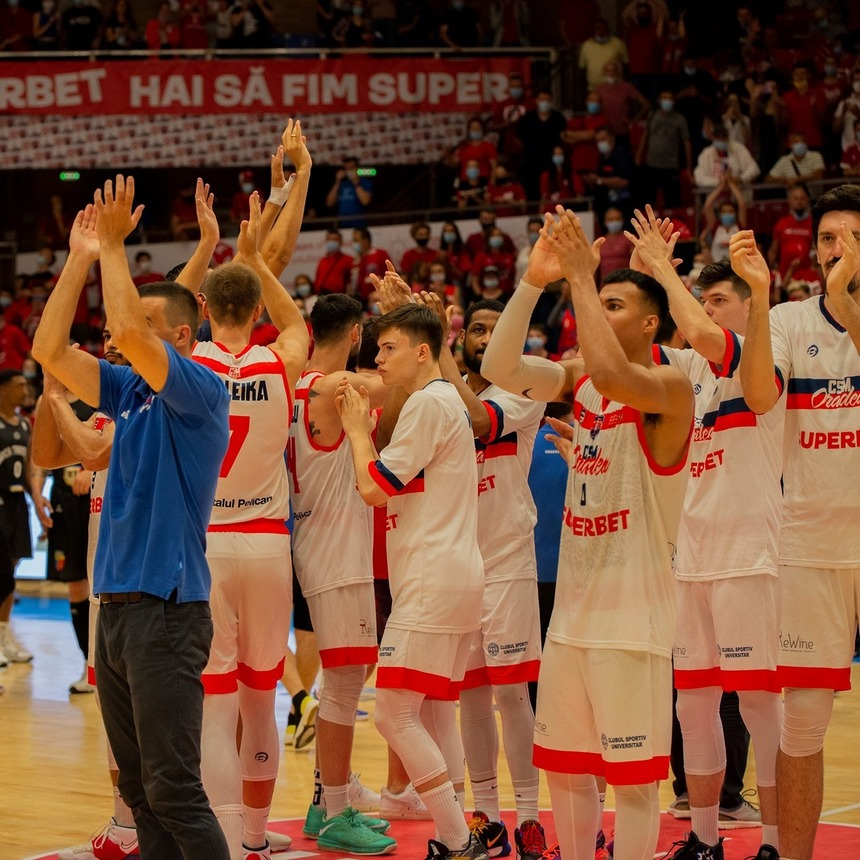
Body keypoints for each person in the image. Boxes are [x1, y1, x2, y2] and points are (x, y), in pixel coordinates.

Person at [481, 207, 694, 860]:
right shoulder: (587, 388)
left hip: (633, 625)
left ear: (651, 322)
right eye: (598, 300)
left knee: (632, 786)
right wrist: (534, 280)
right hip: (573, 617)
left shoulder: (670, 386)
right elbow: (499, 365)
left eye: (616, 302)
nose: (600, 309)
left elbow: (610, 374)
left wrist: (580, 276)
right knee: (568, 772)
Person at [31, 180, 231, 860]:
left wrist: (114, 248)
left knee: (174, 789)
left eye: (143, 325)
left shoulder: (201, 391)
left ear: (178, 335)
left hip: (167, 611)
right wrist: (81, 256)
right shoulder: (129, 394)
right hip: (116, 610)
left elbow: (120, 331)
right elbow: (50, 352)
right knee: (141, 791)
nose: (121, 338)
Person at [625, 210, 783, 860]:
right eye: (706, 297)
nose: (708, 308)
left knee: (758, 710)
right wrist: (643, 273)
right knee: (693, 709)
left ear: (745, 309)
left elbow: (692, 325)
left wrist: (666, 269)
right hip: (691, 558)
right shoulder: (690, 370)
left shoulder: (760, 364)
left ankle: (776, 840)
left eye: (720, 299)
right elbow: (637, 349)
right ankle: (705, 839)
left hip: (749, 556)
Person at [732, 184, 860, 860]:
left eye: (852, 239)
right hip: (809, 543)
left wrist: (847, 303)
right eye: (829, 240)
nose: (837, 251)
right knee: (802, 725)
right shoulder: (785, 319)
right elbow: (757, 395)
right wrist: (757, 300)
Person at [336, 302, 488, 860]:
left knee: (393, 713)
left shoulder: (429, 404)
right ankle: (467, 828)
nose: (378, 357)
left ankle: (456, 839)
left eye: (388, 347)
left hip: (433, 576)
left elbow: (374, 486)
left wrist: (357, 432)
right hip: (453, 575)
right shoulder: (442, 400)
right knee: (432, 711)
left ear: (423, 352)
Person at [436, 297, 545, 857]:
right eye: (474, 329)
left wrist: (442, 354)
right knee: (471, 699)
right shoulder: (443, 393)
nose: (481, 338)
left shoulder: (525, 388)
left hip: (506, 561)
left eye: (491, 331)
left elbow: (480, 422)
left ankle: (529, 815)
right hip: (459, 562)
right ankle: (488, 816)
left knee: (510, 695)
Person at [289, 291, 395, 854]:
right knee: (344, 688)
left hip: (317, 545)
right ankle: (334, 811)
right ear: (357, 335)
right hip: (335, 554)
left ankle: (321, 802)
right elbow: (409, 381)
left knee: (341, 683)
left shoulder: (296, 383)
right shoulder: (335, 387)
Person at [0, 369, 45, 667]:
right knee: (1, 572)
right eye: (18, 384)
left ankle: (4, 636)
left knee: (10, 573)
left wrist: (39, 504)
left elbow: (30, 467)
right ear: (2, 389)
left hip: (18, 503)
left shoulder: (25, 424)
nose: (25, 389)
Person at [636, 91, 692, 210]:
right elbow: (646, 135)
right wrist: (639, 155)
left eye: (670, 98)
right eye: (664, 98)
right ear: (659, 101)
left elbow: (686, 142)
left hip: (670, 165)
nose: (667, 101)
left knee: (672, 201)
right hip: (652, 163)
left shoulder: (680, 119)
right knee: (649, 201)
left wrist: (689, 166)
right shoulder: (653, 115)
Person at [693, 123, 760, 190]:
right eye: (718, 137)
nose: (721, 140)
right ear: (713, 137)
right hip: (715, 195)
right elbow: (699, 178)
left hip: (740, 192)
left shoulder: (739, 148)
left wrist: (740, 179)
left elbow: (754, 169)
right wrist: (719, 182)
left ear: (728, 136)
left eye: (724, 137)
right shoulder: (706, 154)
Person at [768, 185, 813, 279]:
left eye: (802, 198)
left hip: (807, 275)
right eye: (796, 198)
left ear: (807, 200)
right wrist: (774, 267)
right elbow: (773, 250)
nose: (799, 201)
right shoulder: (782, 223)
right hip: (784, 275)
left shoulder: (814, 223)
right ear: (790, 201)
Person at [326, 157, 372, 228]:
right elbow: (329, 203)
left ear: (357, 168)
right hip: (343, 225)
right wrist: (337, 182)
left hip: (360, 225)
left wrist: (356, 182)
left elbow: (365, 201)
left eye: (351, 168)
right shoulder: (342, 183)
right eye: (346, 169)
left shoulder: (365, 182)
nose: (349, 171)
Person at [314, 230, 353, 295]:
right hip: (322, 295)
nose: (332, 242)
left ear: (340, 242)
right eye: (329, 239)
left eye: (335, 240)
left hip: (339, 297)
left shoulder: (348, 259)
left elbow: (351, 281)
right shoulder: (322, 261)